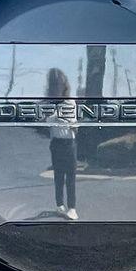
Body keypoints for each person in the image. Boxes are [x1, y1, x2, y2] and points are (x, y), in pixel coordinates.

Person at [46, 68, 78, 220]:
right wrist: (55, 117)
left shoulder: (71, 102)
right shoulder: (49, 103)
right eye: (55, 85)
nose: (58, 87)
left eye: (60, 84)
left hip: (69, 142)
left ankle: (72, 208)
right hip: (56, 143)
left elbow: (75, 124)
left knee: (71, 176)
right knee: (58, 176)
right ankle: (59, 205)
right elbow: (45, 121)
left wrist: (72, 124)